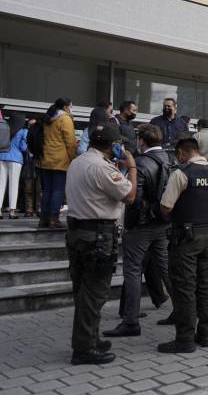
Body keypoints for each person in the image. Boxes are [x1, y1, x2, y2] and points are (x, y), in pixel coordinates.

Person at [66, 122, 137, 364]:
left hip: (77, 232)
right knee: (94, 293)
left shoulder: (79, 162)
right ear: (112, 145)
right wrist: (132, 167)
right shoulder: (102, 168)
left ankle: (89, 339)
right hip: (97, 235)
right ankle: (84, 348)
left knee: (83, 290)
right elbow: (129, 196)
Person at [103, 124, 173, 338]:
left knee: (133, 270)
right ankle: (183, 309)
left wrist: (130, 225)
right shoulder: (171, 159)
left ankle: (130, 320)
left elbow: (133, 198)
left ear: (142, 140)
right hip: (162, 222)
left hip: (141, 225)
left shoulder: (140, 163)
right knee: (165, 267)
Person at [157, 138, 208, 353]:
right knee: (204, 286)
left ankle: (185, 339)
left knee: (185, 287)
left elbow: (166, 207)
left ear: (182, 152)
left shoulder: (181, 173)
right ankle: (205, 336)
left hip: (186, 239)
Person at [39, 98, 77, 229]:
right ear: (66, 107)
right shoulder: (65, 119)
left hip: (46, 159)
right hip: (60, 160)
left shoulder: (48, 118)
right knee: (58, 189)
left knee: (47, 189)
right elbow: (71, 142)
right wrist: (73, 158)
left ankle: (44, 218)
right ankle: (54, 219)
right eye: (71, 106)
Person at [0, 112, 28, 219]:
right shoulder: (23, 131)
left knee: (1, 184)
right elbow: (23, 147)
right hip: (15, 159)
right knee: (14, 184)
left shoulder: (5, 127)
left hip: (1, 157)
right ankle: (12, 212)